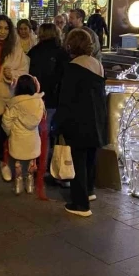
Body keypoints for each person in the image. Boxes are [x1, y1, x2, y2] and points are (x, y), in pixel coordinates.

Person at [53, 29, 107, 217]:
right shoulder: (98, 65)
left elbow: (66, 100)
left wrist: (58, 123)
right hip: (97, 120)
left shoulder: (72, 67)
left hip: (78, 122)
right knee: (91, 158)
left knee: (78, 162)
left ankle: (80, 204)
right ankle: (90, 191)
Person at [0, 15, 29, 185]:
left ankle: (3, 162)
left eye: (6, 28)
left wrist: (13, 74)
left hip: (5, 96)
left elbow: (24, 70)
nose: (2, 32)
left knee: (0, 132)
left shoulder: (15, 49)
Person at [28, 23, 69, 152]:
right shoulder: (62, 53)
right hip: (54, 98)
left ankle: (38, 162)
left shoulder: (33, 52)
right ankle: (51, 160)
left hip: (36, 97)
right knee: (52, 132)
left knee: (39, 132)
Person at [2, 75, 45, 195]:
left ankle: (18, 184)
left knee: (17, 162)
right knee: (32, 161)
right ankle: (30, 184)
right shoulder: (39, 102)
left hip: (17, 138)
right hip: (33, 139)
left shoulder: (15, 103)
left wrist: (9, 133)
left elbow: (6, 121)